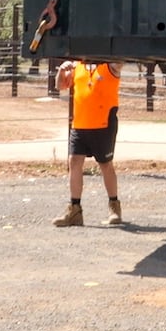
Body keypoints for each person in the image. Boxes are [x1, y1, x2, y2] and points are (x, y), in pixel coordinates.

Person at [53, 60, 125, 227]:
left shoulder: (110, 65)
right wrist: (61, 72)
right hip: (80, 125)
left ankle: (114, 206)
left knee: (105, 165)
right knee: (74, 162)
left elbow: (121, 60)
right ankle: (75, 210)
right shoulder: (77, 66)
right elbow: (60, 86)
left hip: (103, 124)